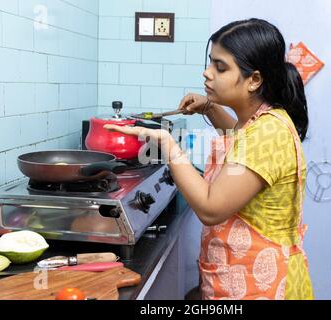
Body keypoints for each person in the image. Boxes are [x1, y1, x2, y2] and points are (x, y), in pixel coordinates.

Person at [105, 18, 313, 300]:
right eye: (210, 62)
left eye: (220, 67)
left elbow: (211, 208)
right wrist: (210, 108)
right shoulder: (263, 120)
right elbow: (239, 139)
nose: (206, 73)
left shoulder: (267, 133)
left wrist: (168, 145)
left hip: (261, 286)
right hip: (244, 279)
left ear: (254, 80)